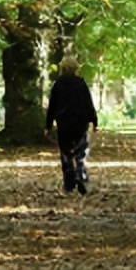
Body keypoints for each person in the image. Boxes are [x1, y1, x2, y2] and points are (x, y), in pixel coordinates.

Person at [45, 56, 98, 195]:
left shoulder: (58, 84)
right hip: (81, 122)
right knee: (80, 151)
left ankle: (69, 182)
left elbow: (52, 106)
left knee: (66, 152)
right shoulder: (81, 83)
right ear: (76, 68)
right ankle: (80, 174)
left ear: (62, 68)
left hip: (64, 122)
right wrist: (94, 121)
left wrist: (48, 125)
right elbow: (88, 103)